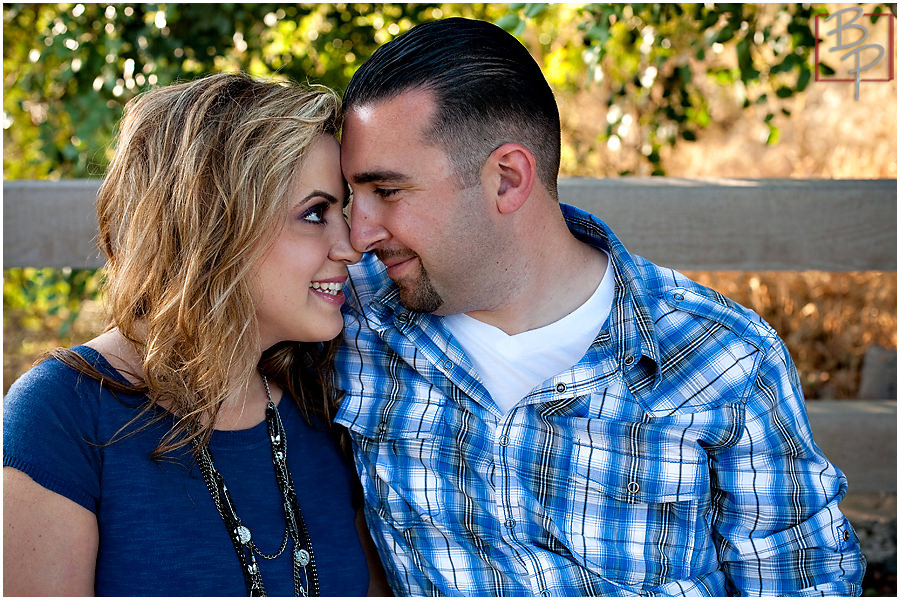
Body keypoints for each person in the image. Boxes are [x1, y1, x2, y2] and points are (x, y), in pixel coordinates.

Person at [334, 17, 866, 597]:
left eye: (386, 192)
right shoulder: (352, 313)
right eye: (347, 198)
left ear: (507, 180)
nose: (357, 234)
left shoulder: (724, 361)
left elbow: (802, 584)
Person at [3, 72, 389, 596]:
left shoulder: (328, 393)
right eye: (315, 214)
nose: (351, 246)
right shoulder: (62, 414)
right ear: (214, 225)